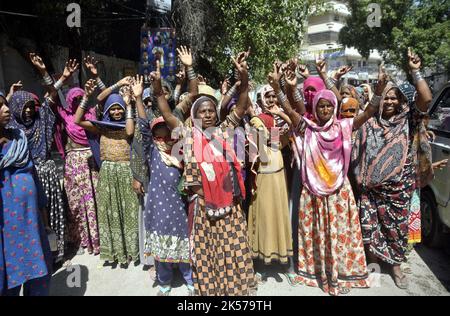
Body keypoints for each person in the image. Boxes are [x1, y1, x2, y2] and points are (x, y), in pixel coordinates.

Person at [273, 59, 384, 296]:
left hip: (338, 192)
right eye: (320, 106)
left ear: (334, 108)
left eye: (328, 106)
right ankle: (319, 273)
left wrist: (379, 92)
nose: (324, 110)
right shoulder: (308, 128)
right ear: (315, 108)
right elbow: (291, 112)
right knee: (317, 234)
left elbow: (368, 113)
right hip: (313, 190)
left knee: (339, 234)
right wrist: (283, 88)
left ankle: (341, 275)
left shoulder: (344, 127)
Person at [152, 50, 257, 296]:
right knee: (207, 252)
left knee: (232, 251)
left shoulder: (224, 131)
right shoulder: (186, 135)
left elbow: (241, 106)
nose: (208, 114)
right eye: (202, 111)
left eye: (211, 111)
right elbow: (167, 114)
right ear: (194, 115)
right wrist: (157, 89)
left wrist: (244, 77)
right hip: (202, 208)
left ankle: (234, 291)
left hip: (229, 206)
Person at [352, 48, 433, 289]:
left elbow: (426, 99)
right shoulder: (370, 121)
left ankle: (396, 266)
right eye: (385, 97)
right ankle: (373, 264)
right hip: (370, 190)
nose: (389, 101)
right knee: (369, 226)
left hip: (398, 188)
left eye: (393, 97)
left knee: (397, 229)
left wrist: (415, 71)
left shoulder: (408, 119)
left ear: (400, 101)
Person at [7, 53, 69, 262]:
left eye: (30, 107)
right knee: (33, 219)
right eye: (23, 108)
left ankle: (56, 253)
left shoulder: (41, 119)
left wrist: (43, 71)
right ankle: (38, 256)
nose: (28, 111)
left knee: (53, 214)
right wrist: (8, 97)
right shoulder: (11, 129)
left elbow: (51, 94)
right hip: (27, 179)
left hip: (47, 174)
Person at [74, 79, 140, 265]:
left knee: (129, 212)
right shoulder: (100, 126)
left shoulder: (129, 123)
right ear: (108, 111)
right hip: (108, 174)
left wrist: (128, 106)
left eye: (119, 108)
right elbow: (77, 120)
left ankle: (131, 251)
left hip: (126, 172)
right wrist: (87, 96)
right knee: (111, 213)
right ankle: (115, 252)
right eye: (113, 109)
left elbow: (128, 132)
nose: (116, 111)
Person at [0, 92, 52, 296]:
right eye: (0, 106)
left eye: (5, 105)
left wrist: (44, 217)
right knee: (9, 275)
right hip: (5, 227)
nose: (6, 110)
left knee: (37, 268)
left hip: (29, 220)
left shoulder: (19, 138)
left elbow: (34, 178)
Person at [246, 83, 294, 284]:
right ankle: (262, 265)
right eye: (268, 97)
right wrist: (265, 120)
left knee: (280, 215)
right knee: (265, 216)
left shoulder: (274, 121)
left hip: (278, 175)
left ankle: (286, 262)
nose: (272, 100)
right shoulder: (257, 121)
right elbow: (261, 145)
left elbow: (293, 128)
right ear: (259, 100)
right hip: (263, 175)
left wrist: (279, 115)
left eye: (274, 96)